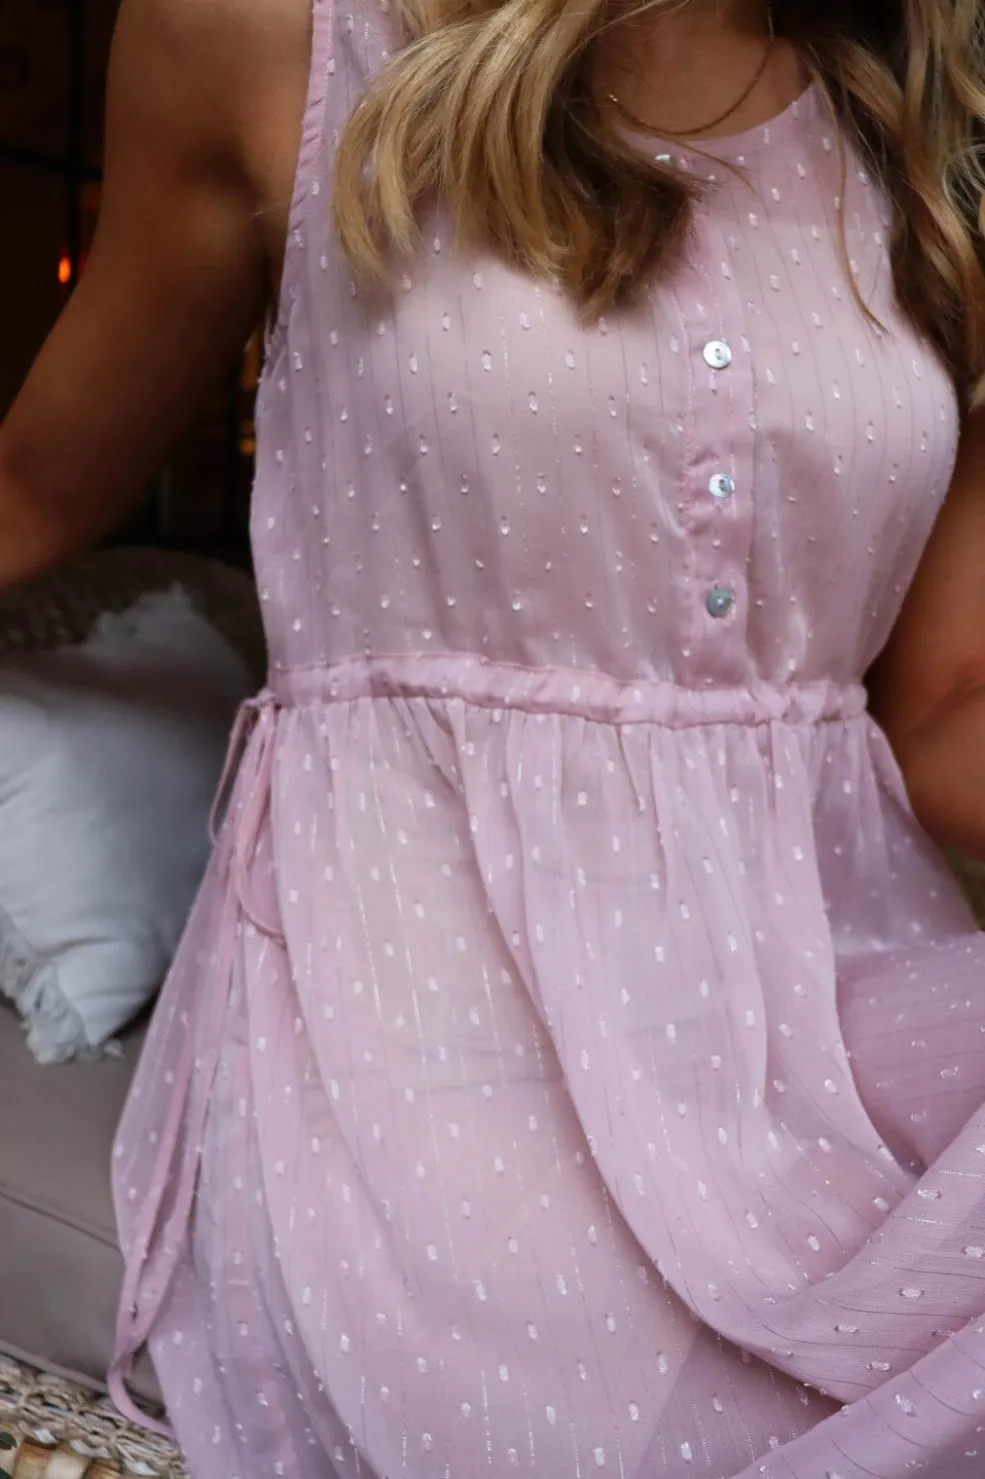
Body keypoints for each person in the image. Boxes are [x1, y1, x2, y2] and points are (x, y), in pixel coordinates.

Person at [4, 0, 985, 1469]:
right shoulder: (271, 35)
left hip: (821, 988)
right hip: (419, 988)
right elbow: (33, 488)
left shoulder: (918, 127)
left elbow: (942, 722)